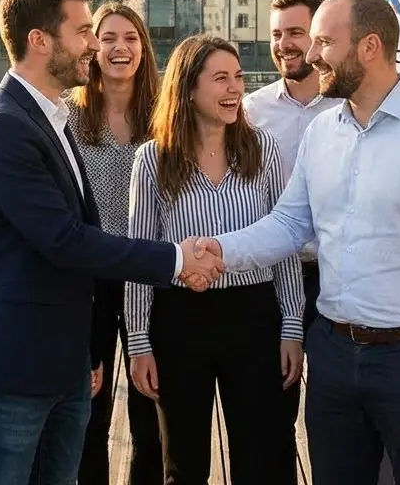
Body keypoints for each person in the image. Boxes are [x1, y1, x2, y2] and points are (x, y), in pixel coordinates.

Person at [194, 0, 400, 485]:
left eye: (323, 42)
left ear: (369, 47)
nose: (312, 56)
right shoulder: (322, 134)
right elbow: (291, 225)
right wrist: (219, 251)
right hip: (334, 358)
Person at [0, 0, 223, 485]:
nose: (94, 45)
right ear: (39, 40)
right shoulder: (5, 127)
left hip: (63, 359)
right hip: (15, 364)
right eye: (82, 32)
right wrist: (177, 259)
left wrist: (86, 353)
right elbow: (64, 240)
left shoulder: (47, 117)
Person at [126, 34, 305, 485]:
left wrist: (291, 327)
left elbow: (282, 242)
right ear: (188, 88)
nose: (234, 89)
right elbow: (142, 257)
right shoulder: (153, 160)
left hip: (254, 318)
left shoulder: (263, 150)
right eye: (220, 79)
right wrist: (139, 341)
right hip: (179, 322)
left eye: (239, 78)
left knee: (258, 458)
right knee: (182, 464)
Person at [68, 2, 163, 485]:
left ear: (143, 48)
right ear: (92, 46)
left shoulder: (166, 115)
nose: (119, 48)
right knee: (89, 412)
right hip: (92, 282)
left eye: (130, 38)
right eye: (107, 37)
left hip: (152, 278)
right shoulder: (67, 115)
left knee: (153, 414)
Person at [242, 0, 338, 340]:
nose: (284, 44)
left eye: (296, 33)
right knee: (272, 390)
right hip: (270, 277)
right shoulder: (249, 112)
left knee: (329, 392)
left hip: (335, 277)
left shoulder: (349, 108)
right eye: (277, 34)